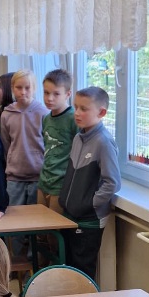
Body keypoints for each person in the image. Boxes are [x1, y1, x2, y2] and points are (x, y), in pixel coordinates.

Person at [58, 86, 120, 280]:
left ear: (101, 113)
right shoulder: (78, 137)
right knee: (69, 269)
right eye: (75, 107)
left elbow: (112, 183)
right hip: (71, 216)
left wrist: (89, 203)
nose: (77, 113)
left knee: (83, 273)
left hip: (88, 220)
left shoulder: (104, 142)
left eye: (84, 109)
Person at [0, 69, 47, 208]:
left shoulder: (44, 113)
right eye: (19, 87)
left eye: (27, 88)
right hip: (14, 177)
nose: (23, 92)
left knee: (36, 216)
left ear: (34, 88)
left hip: (39, 176)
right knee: (14, 215)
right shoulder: (6, 114)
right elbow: (5, 144)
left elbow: (48, 144)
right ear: (12, 88)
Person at [37, 68, 76, 215]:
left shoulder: (73, 119)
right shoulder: (46, 118)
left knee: (56, 226)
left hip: (61, 184)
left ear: (68, 94)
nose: (49, 98)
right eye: (46, 93)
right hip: (44, 181)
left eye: (56, 94)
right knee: (40, 225)